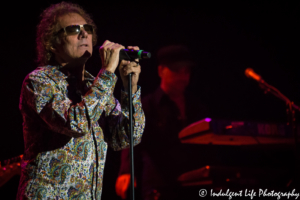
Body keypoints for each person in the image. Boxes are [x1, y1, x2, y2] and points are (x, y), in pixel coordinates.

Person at [16, 2, 145, 199]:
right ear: (52, 42)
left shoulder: (95, 86)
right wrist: (108, 72)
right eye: (74, 29)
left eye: (88, 29)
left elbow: (127, 138)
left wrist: (131, 89)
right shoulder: (39, 81)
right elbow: (76, 123)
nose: (84, 34)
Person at [115, 45, 209, 200]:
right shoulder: (147, 105)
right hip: (160, 187)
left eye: (186, 71)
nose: (183, 76)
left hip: (194, 185)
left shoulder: (197, 107)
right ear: (161, 71)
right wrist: (126, 171)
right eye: (176, 71)